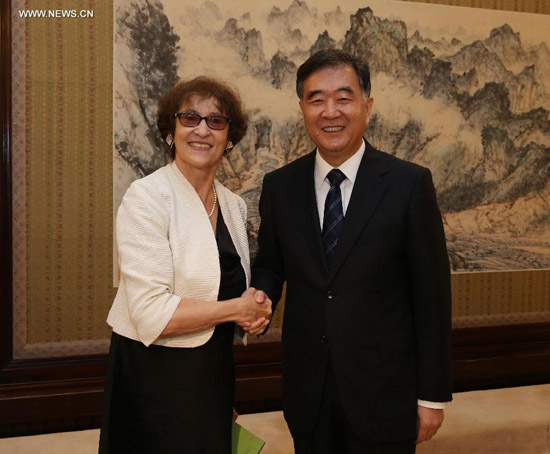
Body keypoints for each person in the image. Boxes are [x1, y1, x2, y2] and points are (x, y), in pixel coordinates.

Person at [252, 49, 452, 454]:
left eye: (343, 98)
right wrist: (259, 298)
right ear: (302, 108)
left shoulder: (408, 184)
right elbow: (271, 265)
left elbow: (432, 295)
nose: (331, 112)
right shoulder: (280, 186)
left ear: (367, 105)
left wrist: (432, 396)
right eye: (317, 99)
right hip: (309, 395)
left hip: (385, 395)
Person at [99, 76, 271, 454]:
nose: (202, 130)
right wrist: (237, 309)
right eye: (190, 118)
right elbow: (150, 313)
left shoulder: (233, 205)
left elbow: (224, 288)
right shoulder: (146, 197)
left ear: (229, 137)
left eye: (216, 120)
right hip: (152, 378)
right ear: (171, 130)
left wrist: (252, 315)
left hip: (211, 375)